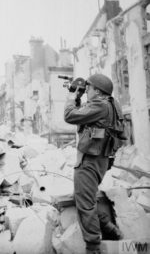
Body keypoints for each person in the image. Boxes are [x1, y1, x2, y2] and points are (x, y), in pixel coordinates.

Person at [64, 73, 123, 254]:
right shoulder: (111, 104)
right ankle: (110, 229)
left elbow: (70, 115)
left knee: (86, 206)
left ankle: (94, 248)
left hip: (89, 162)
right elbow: (85, 115)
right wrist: (80, 95)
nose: (86, 91)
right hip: (100, 161)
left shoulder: (99, 105)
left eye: (88, 88)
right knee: (84, 199)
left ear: (98, 91)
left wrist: (71, 96)